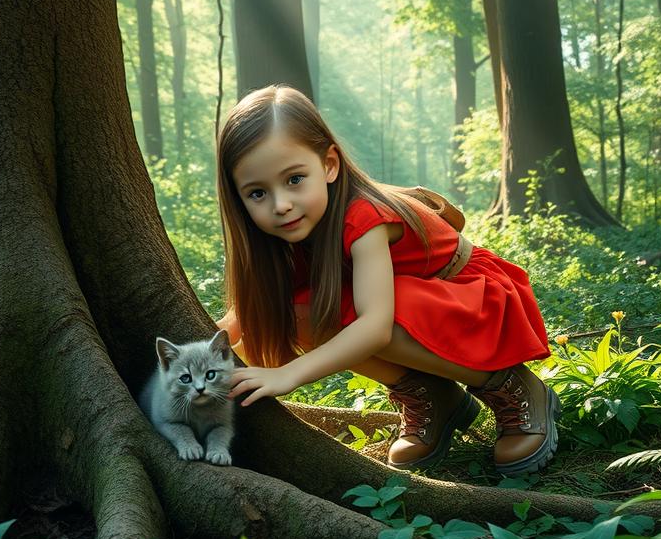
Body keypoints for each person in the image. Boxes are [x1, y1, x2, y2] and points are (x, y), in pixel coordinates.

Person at [215, 84, 559, 476]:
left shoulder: (364, 217)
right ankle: (432, 395)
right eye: (258, 193)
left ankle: (510, 386)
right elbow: (244, 315)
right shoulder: (290, 230)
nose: (280, 204)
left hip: (475, 300)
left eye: (294, 179)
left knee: (373, 311)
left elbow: (376, 327)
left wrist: (286, 375)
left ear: (329, 164)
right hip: (425, 306)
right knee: (301, 311)